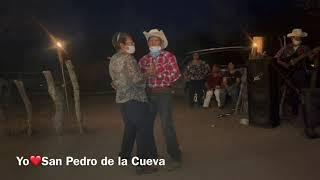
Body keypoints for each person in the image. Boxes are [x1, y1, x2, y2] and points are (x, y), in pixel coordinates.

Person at [109, 32, 157, 174]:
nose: (133, 44)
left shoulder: (113, 59)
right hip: (135, 99)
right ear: (122, 45)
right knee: (143, 130)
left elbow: (116, 81)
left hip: (123, 100)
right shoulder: (128, 58)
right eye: (130, 42)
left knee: (130, 127)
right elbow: (136, 80)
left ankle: (124, 156)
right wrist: (149, 72)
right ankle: (142, 165)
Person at [138, 29, 182, 171]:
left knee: (166, 126)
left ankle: (175, 156)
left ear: (161, 43)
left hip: (164, 95)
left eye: (156, 40)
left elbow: (175, 75)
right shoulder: (144, 59)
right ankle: (152, 157)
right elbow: (137, 77)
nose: (153, 42)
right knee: (146, 127)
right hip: (149, 95)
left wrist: (157, 74)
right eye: (150, 40)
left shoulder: (169, 56)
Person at [275, 28, 310, 115]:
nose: (297, 39)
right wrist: (285, 65)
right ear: (292, 38)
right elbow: (276, 58)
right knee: (291, 92)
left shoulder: (305, 48)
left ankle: (306, 111)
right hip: (289, 73)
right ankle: (294, 110)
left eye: (299, 37)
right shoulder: (286, 48)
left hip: (301, 72)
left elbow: (310, 59)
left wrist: (312, 55)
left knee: (304, 92)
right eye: (296, 37)